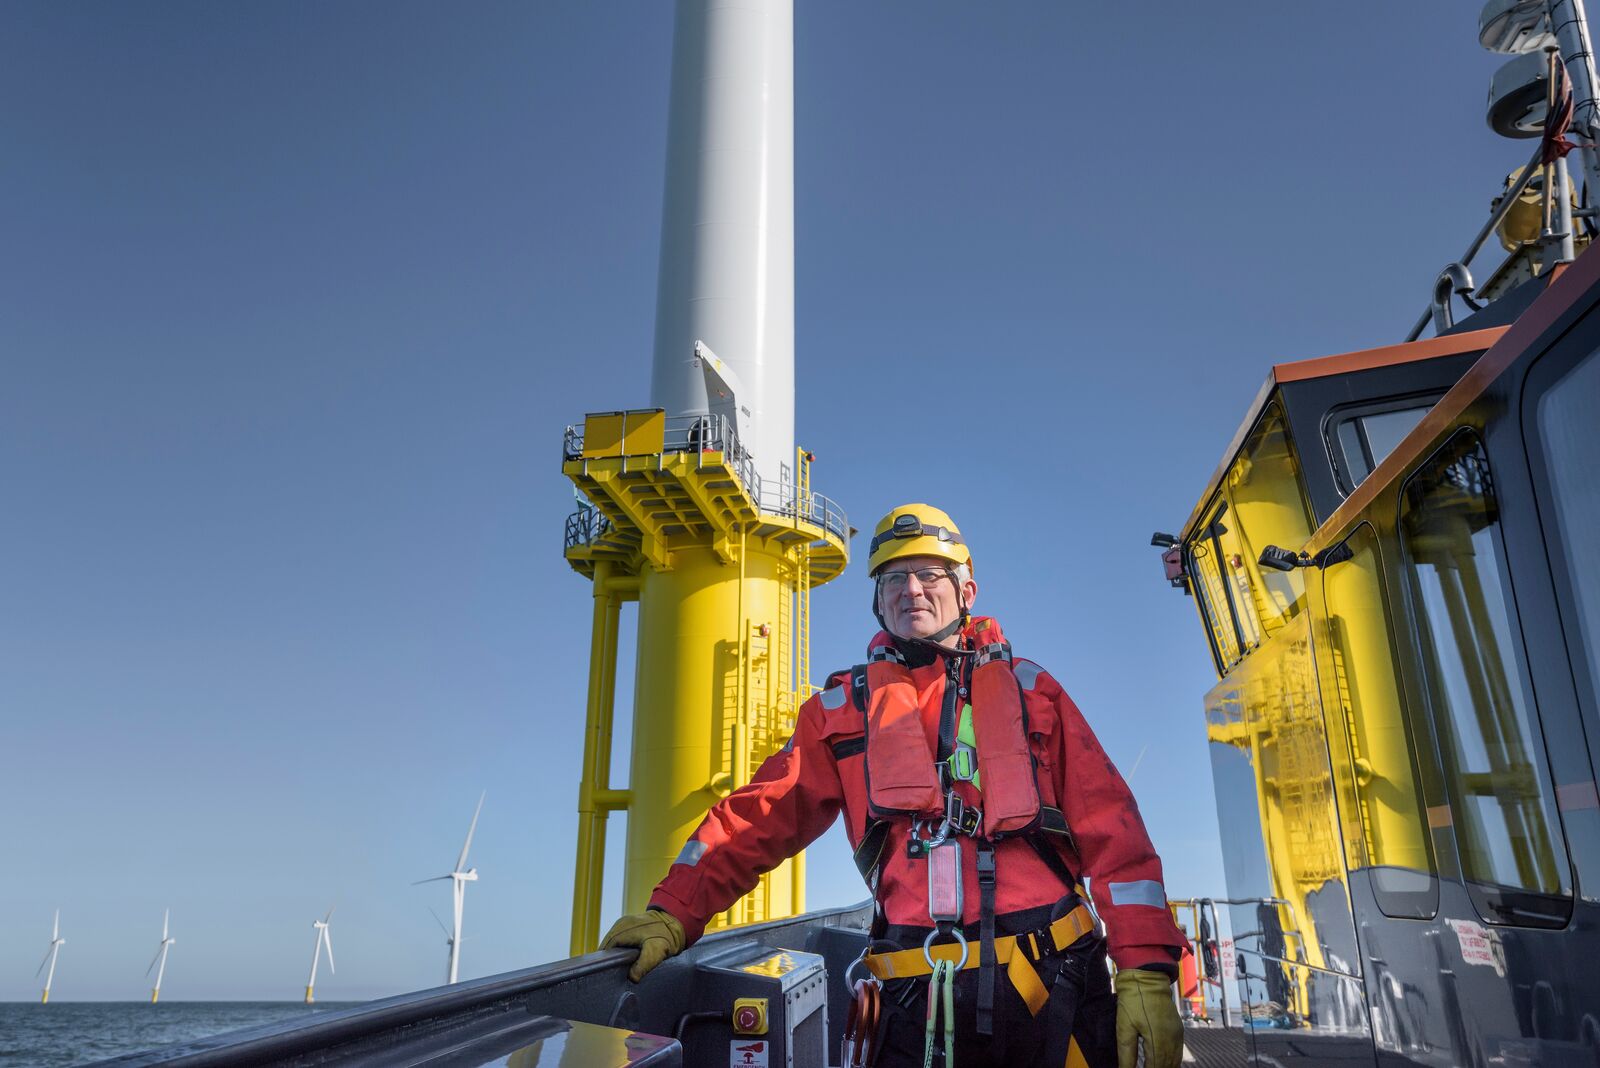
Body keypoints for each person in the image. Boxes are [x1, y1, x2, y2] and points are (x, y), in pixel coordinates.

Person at [602, 504, 1187, 1067]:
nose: (912, 589)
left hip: (1056, 987)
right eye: (894, 578)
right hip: (914, 1001)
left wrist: (1143, 968)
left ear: (967, 592)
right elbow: (756, 818)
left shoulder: (1034, 692)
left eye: (930, 574)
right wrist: (675, 909)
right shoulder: (838, 711)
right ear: (878, 601)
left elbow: (1114, 829)